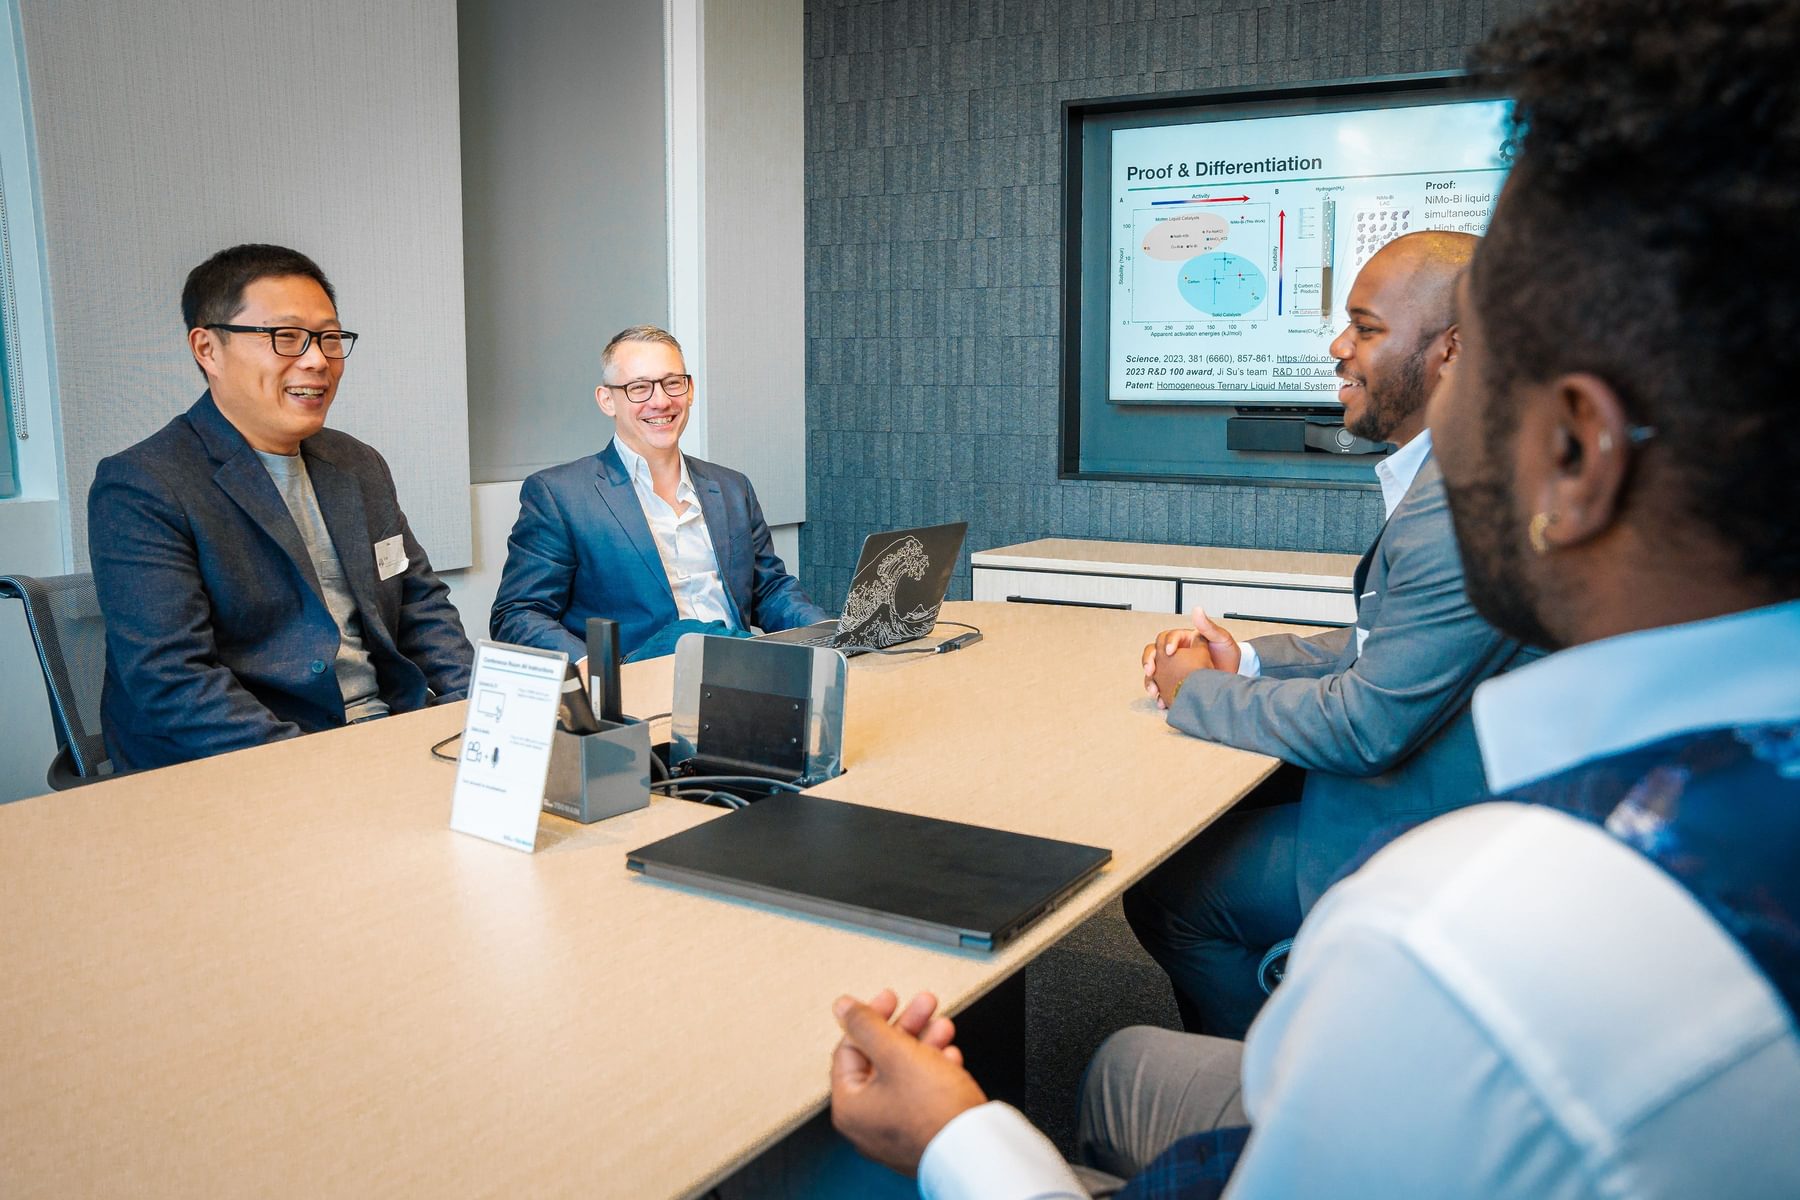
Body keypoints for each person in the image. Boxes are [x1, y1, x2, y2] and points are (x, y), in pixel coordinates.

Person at [826, 0, 1800, 1193]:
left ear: (1575, 451)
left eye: (1480, 371)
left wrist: (950, 1136)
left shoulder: (1458, 951)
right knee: (1125, 1060)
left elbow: (1378, 714)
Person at [1129, 230, 1535, 1037]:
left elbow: (1362, 724)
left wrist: (1196, 691)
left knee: (1169, 893)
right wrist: (1241, 657)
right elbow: (1377, 646)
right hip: (1461, 809)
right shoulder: (1458, 475)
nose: (1338, 347)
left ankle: (1276, 1089)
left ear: (1451, 350)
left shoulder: (1463, 507)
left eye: (1367, 328)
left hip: (1428, 844)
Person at [89, 244, 472, 771]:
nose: (316, 359)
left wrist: (475, 713)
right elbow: (173, 680)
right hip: (253, 762)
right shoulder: (144, 484)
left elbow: (421, 607)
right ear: (208, 349)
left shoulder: (356, 464)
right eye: (285, 337)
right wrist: (317, 768)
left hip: (389, 738)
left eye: (329, 337)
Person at [489, 324, 829, 664]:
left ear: (690, 389)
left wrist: (831, 636)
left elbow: (768, 590)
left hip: (738, 674)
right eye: (639, 388)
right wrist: (601, 674)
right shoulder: (560, 495)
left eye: (672, 383)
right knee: (688, 636)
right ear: (607, 399)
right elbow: (518, 614)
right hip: (640, 685)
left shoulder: (731, 487)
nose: (661, 401)